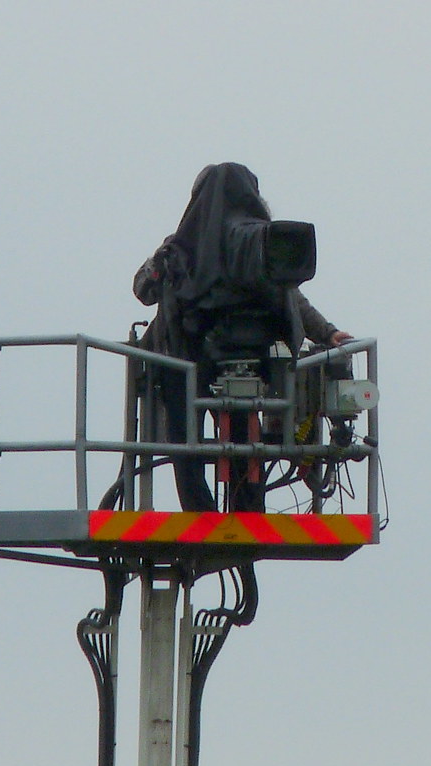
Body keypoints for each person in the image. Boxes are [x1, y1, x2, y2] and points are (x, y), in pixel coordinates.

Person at [133, 162, 351, 512]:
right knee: (245, 433)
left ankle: (199, 507)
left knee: (184, 433)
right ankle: (248, 506)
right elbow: (294, 298)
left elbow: (142, 290)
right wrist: (327, 332)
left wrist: (329, 333)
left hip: (190, 362)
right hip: (246, 364)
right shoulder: (257, 244)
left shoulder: (185, 247)